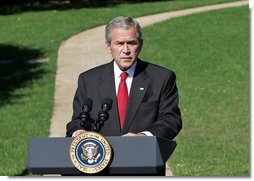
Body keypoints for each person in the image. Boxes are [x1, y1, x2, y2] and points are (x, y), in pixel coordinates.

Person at [66, 16, 182, 139]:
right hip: (100, 155)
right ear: (108, 46)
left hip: (142, 153)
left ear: (140, 44)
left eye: (131, 43)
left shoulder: (161, 78)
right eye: (120, 43)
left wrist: (144, 136)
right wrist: (78, 132)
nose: (126, 50)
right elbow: (77, 120)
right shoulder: (88, 80)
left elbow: (171, 119)